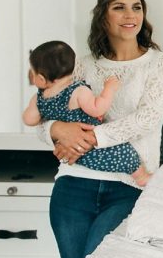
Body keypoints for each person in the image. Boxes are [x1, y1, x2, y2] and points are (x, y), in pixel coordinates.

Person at [38, 0, 163, 258]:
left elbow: (147, 118)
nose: (130, 15)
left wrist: (91, 138)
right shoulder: (81, 66)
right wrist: (57, 130)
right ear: (103, 16)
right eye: (119, 7)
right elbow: (44, 114)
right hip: (74, 183)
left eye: (136, 8)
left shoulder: (160, 65)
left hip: (128, 185)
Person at [23, 40, 151, 186]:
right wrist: (109, 89)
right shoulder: (78, 90)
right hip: (94, 147)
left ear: (40, 78)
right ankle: (141, 177)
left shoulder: (39, 98)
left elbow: (29, 120)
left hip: (71, 152)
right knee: (125, 152)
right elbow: (98, 108)